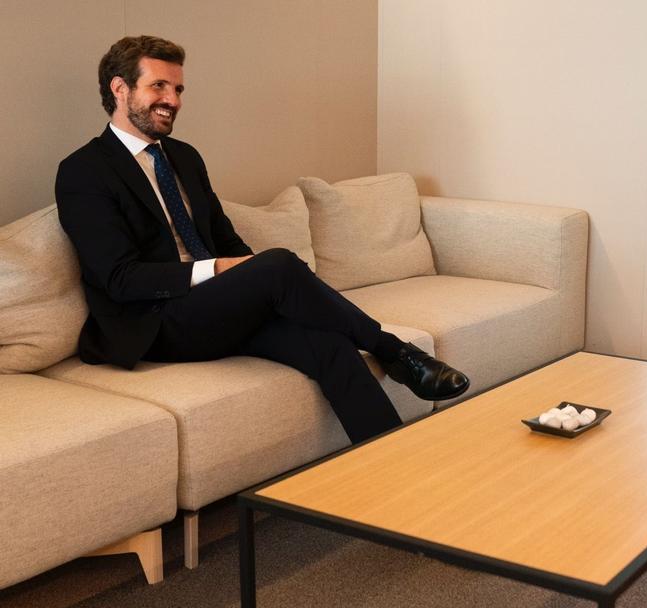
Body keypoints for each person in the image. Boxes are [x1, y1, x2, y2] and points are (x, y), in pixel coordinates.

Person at [55, 35, 469, 445]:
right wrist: (224, 270)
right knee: (279, 264)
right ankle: (397, 354)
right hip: (154, 323)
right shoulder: (84, 171)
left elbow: (222, 237)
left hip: (215, 308)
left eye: (178, 88)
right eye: (158, 86)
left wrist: (253, 283)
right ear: (120, 88)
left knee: (329, 344)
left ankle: (388, 470)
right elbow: (119, 279)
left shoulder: (183, 157)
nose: (173, 100)